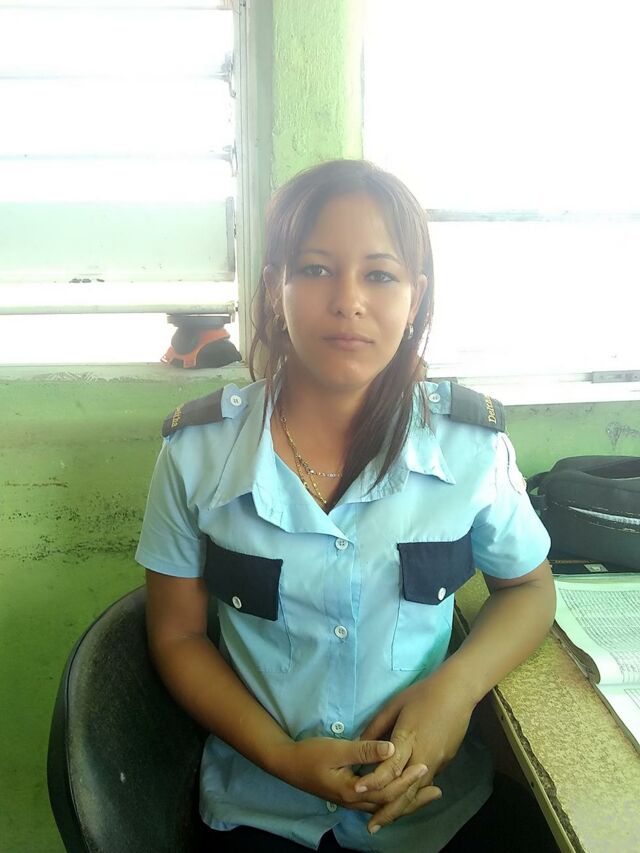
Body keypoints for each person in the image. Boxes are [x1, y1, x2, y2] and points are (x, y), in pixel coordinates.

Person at [136, 159, 558, 852]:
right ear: (274, 288)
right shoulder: (197, 454)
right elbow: (177, 637)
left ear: (416, 297)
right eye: (315, 269)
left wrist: (456, 688)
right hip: (259, 806)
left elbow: (529, 589)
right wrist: (281, 755)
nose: (349, 300)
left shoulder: (471, 450)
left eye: (381, 275)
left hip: (433, 814)